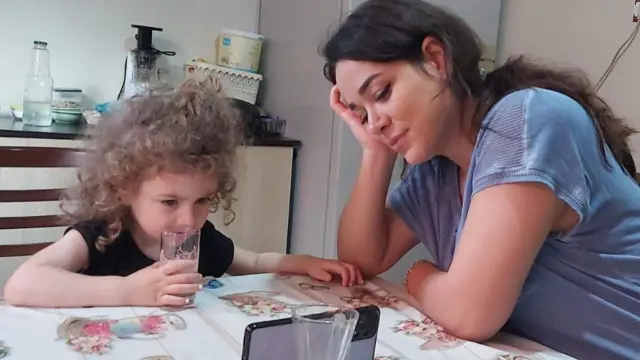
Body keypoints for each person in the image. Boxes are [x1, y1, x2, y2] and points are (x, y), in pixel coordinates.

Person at [321, 0, 640, 359]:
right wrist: (376, 151)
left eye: (381, 94)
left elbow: (468, 314)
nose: (374, 121)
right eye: (362, 113)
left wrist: (419, 274)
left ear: (435, 60)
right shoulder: (436, 172)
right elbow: (361, 258)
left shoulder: (525, 120)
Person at [3, 76, 362, 308]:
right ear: (125, 188)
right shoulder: (103, 232)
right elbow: (21, 285)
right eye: (169, 201)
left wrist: (301, 263)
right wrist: (127, 292)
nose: (189, 219)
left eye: (203, 200)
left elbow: (250, 262)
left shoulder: (195, 238)